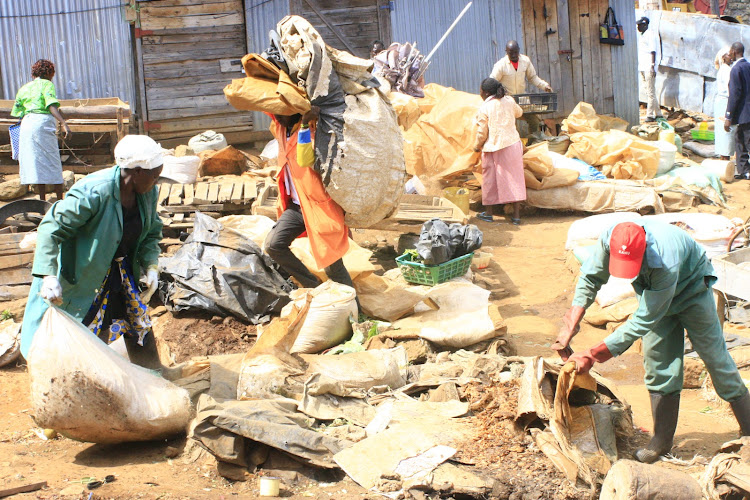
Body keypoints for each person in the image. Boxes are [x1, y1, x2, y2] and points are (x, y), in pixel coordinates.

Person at [552, 221, 750, 464]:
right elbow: (591, 276)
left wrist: (593, 354)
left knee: (716, 359)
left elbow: (644, 319)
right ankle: (661, 440)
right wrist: (573, 317)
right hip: (653, 293)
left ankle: (748, 433)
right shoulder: (609, 239)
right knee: (659, 363)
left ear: (644, 249)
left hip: (691, 292)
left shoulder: (666, 260)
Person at [20, 135, 165, 372]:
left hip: (119, 268)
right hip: (83, 272)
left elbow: (152, 231)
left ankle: (154, 373)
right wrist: (47, 276)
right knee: (85, 327)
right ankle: (85, 383)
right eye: (155, 175)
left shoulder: (147, 193)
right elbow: (50, 229)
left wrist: (150, 265)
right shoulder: (93, 193)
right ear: (137, 172)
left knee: (136, 319)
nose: (157, 181)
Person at [264, 106, 354, 290]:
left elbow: (305, 159)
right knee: (273, 245)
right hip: (296, 207)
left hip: (319, 206)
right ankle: (314, 287)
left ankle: (355, 311)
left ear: (295, 112)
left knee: (332, 264)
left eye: (282, 113)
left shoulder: (313, 131)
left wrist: (305, 123)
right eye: (276, 114)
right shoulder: (281, 129)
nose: (278, 117)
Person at [11, 59, 71, 202]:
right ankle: (58, 200)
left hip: (26, 125)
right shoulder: (47, 85)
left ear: (34, 73)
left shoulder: (24, 88)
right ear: (50, 73)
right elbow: (51, 105)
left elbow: (17, 111)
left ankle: (42, 201)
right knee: (53, 161)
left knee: (37, 162)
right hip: (42, 124)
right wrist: (63, 123)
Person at [473, 78, 525, 225]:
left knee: (489, 179)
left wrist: (476, 146)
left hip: (493, 147)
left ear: (486, 92)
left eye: (481, 91)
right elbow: (519, 113)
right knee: (515, 180)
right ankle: (516, 216)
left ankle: (489, 213)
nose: (480, 93)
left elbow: (482, 132)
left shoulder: (485, 107)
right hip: (512, 145)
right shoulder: (509, 101)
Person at [489, 40, 551, 135]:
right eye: (511, 53)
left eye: (515, 52)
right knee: (510, 125)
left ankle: (533, 141)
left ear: (519, 50)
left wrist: (544, 86)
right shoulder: (500, 65)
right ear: (506, 52)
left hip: (522, 98)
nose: (514, 55)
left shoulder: (525, 61)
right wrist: (497, 93)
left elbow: (532, 77)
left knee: (534, 121)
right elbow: (492, 81)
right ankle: (514, 146)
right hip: (507, 100)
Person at [725, 42, 750, 180]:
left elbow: (735, 94)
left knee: (746, 141)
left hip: (744, 113)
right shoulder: (748, 66)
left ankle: (745, 170)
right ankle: (745, 171)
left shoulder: (736, 69)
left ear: (734, 51)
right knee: (740, 139)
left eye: (730, 51)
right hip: (747, 113)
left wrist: (728, 116)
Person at [637, 17, 662, 122]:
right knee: (648, 91)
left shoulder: (650, 35)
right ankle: (659, 114)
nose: (638, 27)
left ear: (645, 25)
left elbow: (653, 51)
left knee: (650, 92)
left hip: (648, 67)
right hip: (642, 66)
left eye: (640, 25)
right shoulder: (642, 35)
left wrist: (652, 65)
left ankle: (650, 115)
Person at [715, 46, 736, 160]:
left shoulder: (723, 69)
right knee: (727, 131)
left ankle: (723, 156)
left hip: (721, 102)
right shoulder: (727, 70)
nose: (731, 57)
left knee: (722, 131)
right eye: (728, 55)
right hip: (725, 102)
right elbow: (730, 89)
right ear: (723, 57)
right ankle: (725, 156)